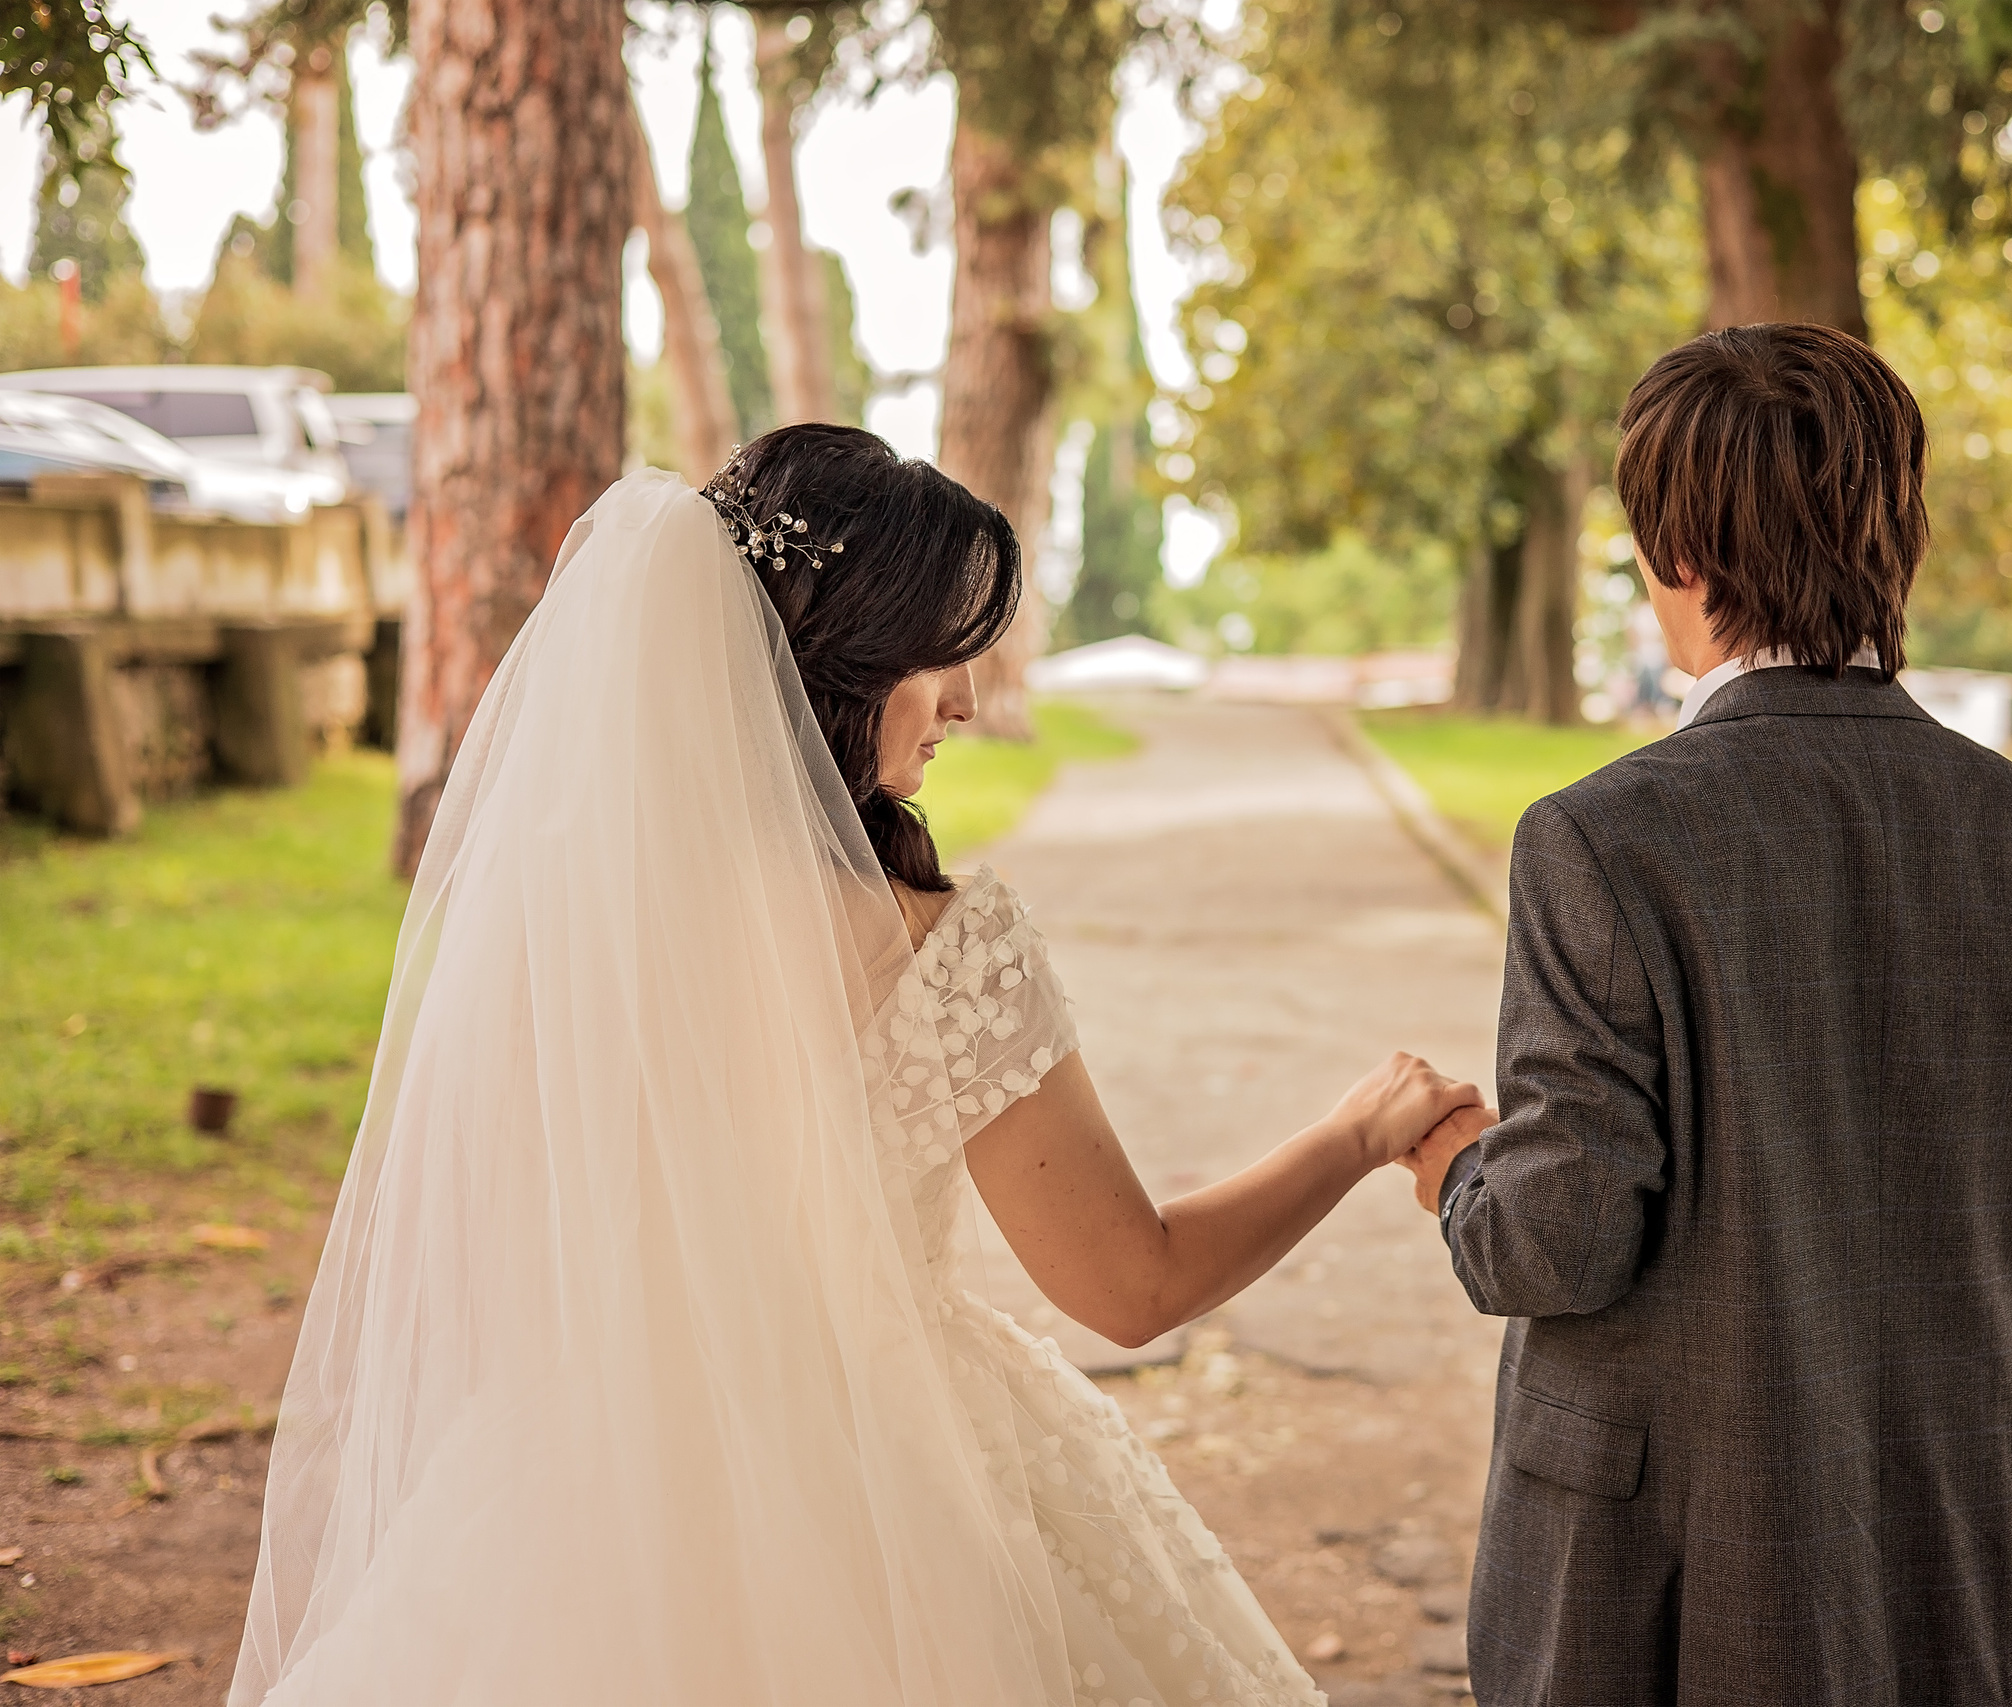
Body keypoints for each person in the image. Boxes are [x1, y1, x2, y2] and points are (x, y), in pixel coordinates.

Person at [231, 425, 1480, 1706]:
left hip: (566, 1483)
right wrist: (1355, 1134)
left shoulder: (554, 936)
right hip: (892, 1488)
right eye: (937, 657)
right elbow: (1131, 1284)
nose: (966, 701)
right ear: (841, 662)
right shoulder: (939, 947)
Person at [1399, 324, 2012, 1706]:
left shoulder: (1602, 837)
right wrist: (2003, 1508)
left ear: (1679, 555)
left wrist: (1454, 1167)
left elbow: (1561, 1234)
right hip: (1958, 1544)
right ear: (1898, 533)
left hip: (1655, 1571)